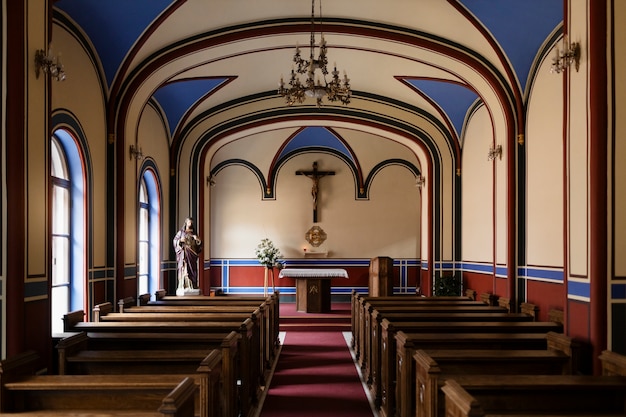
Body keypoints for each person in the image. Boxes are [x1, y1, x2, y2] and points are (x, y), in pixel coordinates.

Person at [173, 217, 202, 290]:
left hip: (192, 254)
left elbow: (199, 245)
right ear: (186, 222)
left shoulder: (194, 233)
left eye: (191, 222)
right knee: (184, 269)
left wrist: (197, 239)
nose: (190, 224)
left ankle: (193, 285)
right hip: (184, 254)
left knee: (192, 269)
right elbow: (175, 241)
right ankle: (183, 285)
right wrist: (180, 241)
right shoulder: (181, 232)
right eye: (189, 222)